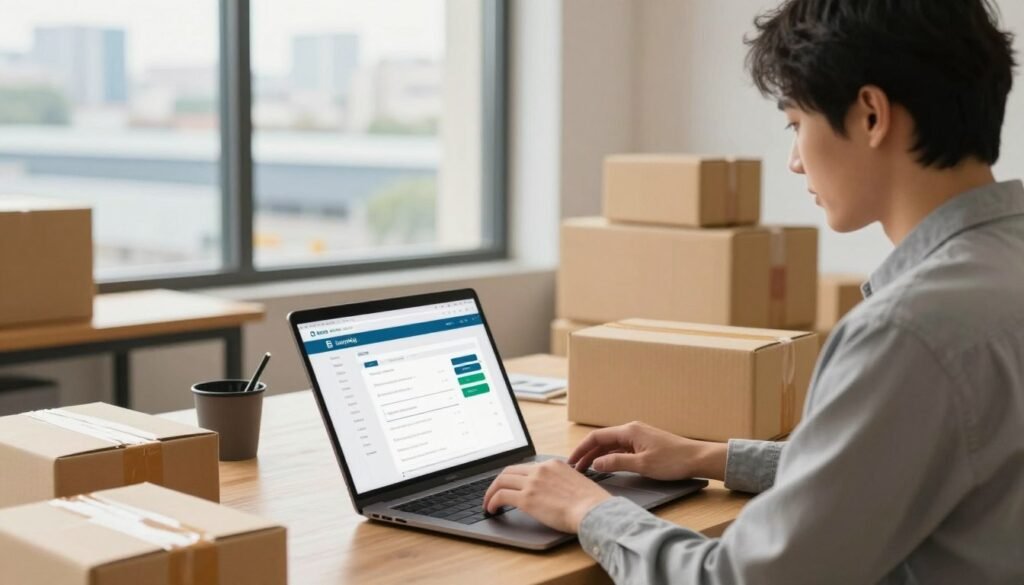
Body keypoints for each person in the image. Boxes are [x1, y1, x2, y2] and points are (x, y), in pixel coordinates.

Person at [482, 0, 1024, 582]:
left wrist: (589, 509)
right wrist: (710, 457)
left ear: (871, 115)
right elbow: (905, 460)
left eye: (796, 124)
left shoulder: (908, 332)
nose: (794, 161)